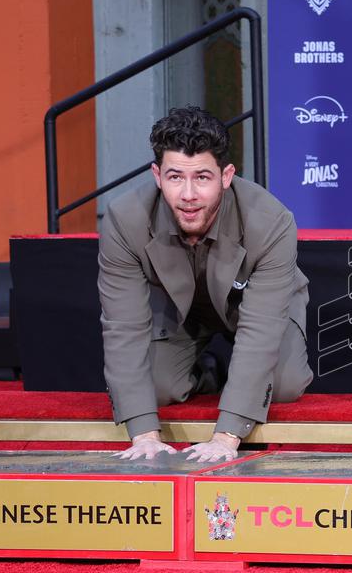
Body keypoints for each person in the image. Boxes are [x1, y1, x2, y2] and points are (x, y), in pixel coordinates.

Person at [99, 106, 313, 462]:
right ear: (156, 174)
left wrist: (226, 438)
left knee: (286, 384)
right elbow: (123, 328)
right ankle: (210, 371)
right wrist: (143, 435)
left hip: (255, 306)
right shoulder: (124, 219)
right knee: (154, 389)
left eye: (201, 177)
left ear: (226, 176)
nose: (187, 194)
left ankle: (238, 381)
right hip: (179, 310)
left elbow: (260, 330)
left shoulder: (271, 220)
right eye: (174, 177)